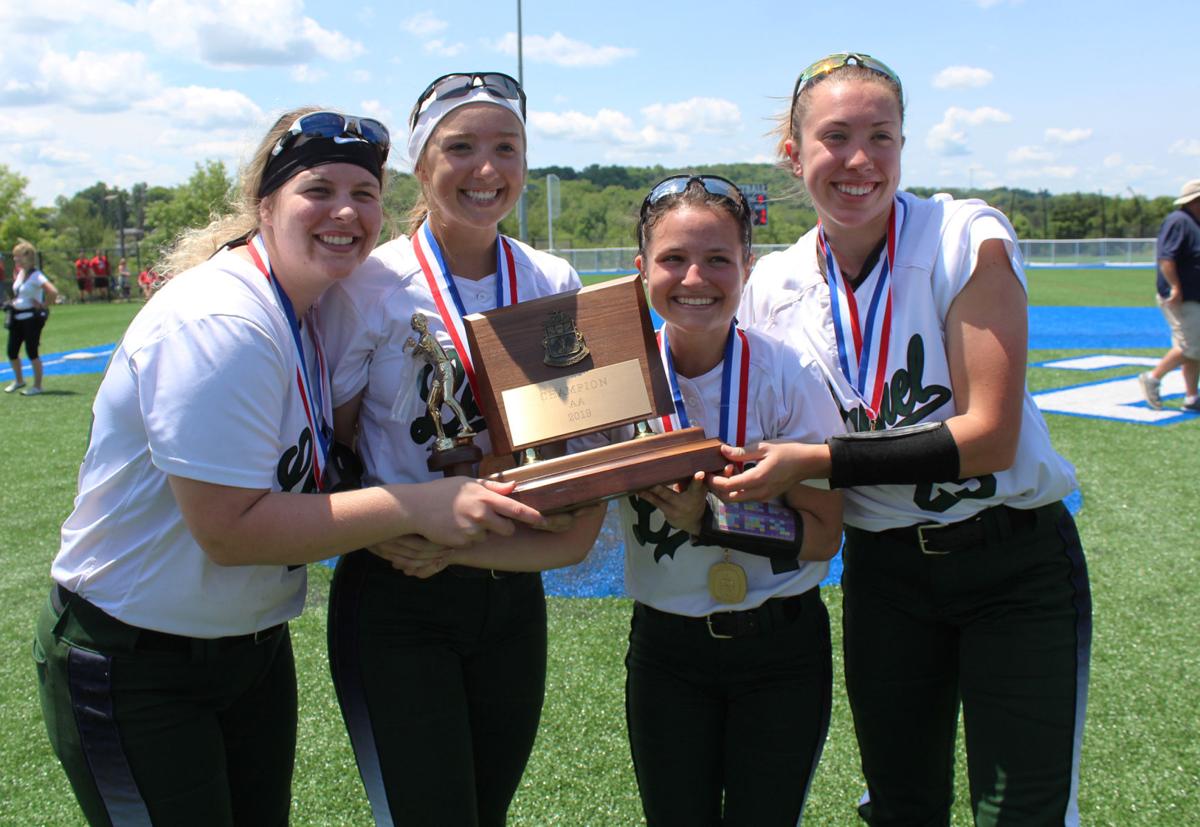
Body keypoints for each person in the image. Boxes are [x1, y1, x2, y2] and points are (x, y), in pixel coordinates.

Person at [34, 106, 551, 827]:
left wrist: (375, 521)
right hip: (136, 659)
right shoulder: (224, 320)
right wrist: (412, 507)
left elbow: (315, 472)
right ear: (264, 201)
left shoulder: (306, 307)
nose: (345, 211)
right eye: (318, 189)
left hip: (247, 651)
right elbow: (230, 531)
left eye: (363, 193)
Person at [711, 53, 1092, 826]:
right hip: (885, 577)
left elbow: (988, 436)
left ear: (904, 144)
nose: (859, 160)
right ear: (794, 152)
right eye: (836, 136)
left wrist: (818, 460)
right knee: (903, 806)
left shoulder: (962, 234)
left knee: (1019, 812)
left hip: (1011, 565)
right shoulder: (771, 285)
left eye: (881, 137)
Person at [319, 72, 604, 826]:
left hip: (510, 586)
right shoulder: (368, 285)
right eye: (461, 147)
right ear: (420, 164)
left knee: (486, 810)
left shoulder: (550, 278)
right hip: (399, 585)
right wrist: (400, 531)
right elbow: (336, 445)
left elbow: (563, 437)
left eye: (505, 147)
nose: (487, 168)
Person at [600, 175, 844, 826]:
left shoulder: (788, 372)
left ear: (748, 267)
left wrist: (713, 520)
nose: (694, 278)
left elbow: (824, 534)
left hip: (782, 645)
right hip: (667, 649)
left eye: (717, 259)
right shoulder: (614, 384)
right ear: (641, 269)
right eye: (672, 259)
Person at [1138, 178, 1200, 413]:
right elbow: (1166, 257)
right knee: (1190, 346)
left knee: (1195, 347)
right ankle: (1153, 378)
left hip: (1193, 296)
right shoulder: (1179, 221)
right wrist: (1175, 287)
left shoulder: (1193, 222)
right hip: (1181, 297)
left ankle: (1192, 396)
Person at [6, 240, 59, 396]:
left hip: (31, 319)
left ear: (27, 256)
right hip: (17, 317)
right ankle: (19, 380)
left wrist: (43, 305)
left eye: (18, 256)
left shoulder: (36, 275)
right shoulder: (20, 273)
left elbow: (53, 292)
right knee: (12, 351)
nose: (15, 259)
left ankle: (37, 385)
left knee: (32, 351)